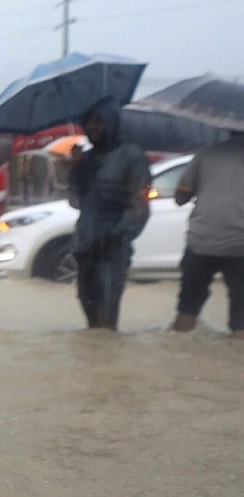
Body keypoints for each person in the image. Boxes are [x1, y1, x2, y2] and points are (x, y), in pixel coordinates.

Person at [67, 96, 152, 331]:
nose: (93, 127)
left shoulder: (133, 156)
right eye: (89, 122)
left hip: (113, 247)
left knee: (107, 312)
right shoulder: (88, 159)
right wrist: (76, 170)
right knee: (88, 308)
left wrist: (115, 233)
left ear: (112, 122)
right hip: (85, 244)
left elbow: (141, 205)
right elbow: (75, 202)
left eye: (99, 121)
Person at [171, 130, 244, 339]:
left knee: (187, 308)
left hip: (202, 242)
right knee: (242, 316)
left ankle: (177, 357)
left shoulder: (206, 154)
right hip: (241, 246)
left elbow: (180, 197)